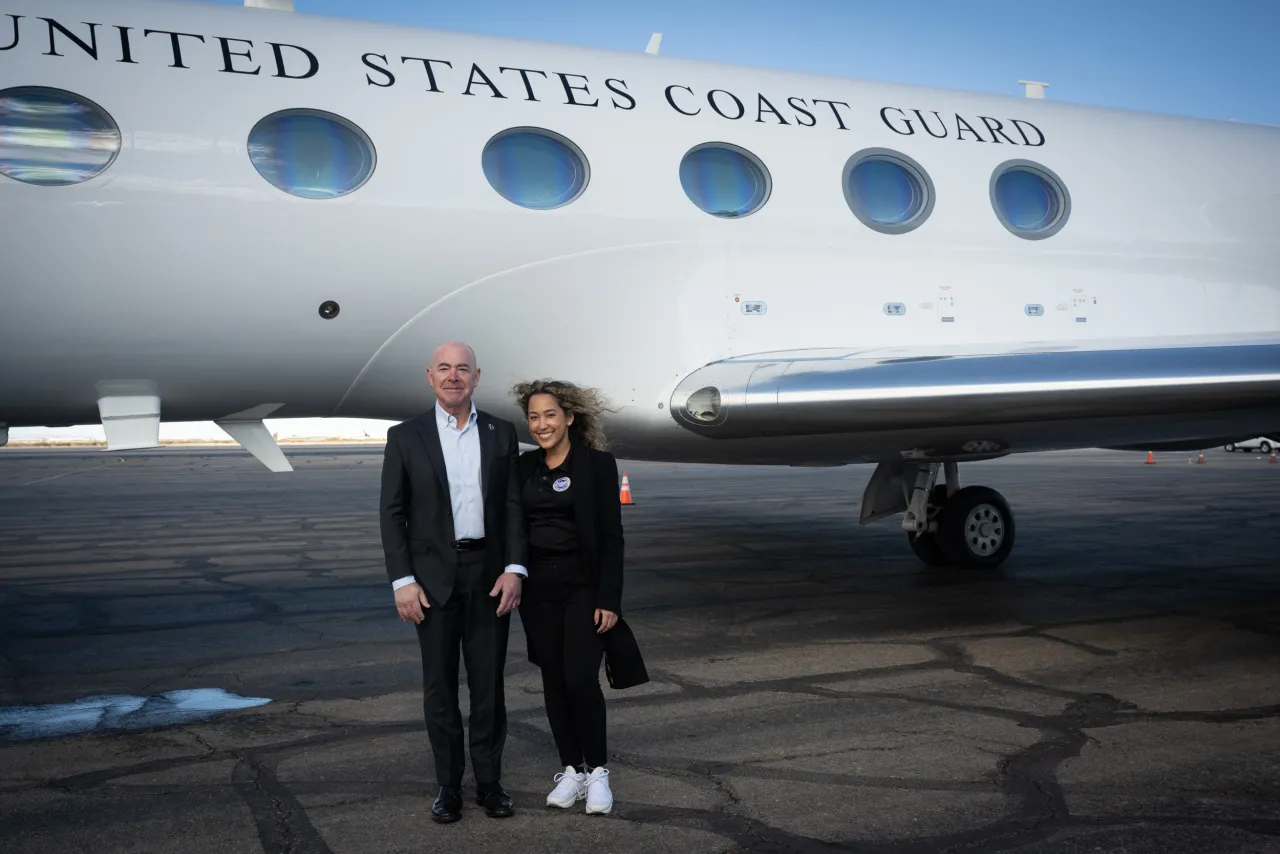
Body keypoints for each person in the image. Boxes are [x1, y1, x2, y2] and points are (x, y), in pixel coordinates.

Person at [379, 341, 528, 824]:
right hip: (431, 582)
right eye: (444, 368)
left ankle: (489, 783)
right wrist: (403, 580)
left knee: (489, 688)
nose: (453, 376)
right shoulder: (405, 436)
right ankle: (448, 786)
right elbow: (392, 513)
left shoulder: (501, 433)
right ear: (429, 377)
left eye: (462, 369)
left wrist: (514, 568)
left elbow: (511, 508)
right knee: (439, 689)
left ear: (476, 377)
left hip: (489, 576)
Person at [510, 379, 648, 816]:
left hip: (583, 590)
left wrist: (609, 599)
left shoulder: (598, 465)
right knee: (553, 681)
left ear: (570, 417)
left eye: (550, 414)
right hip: (539, 593)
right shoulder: (523, 467)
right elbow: (513, 528)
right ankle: (571, 770)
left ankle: (599, 773)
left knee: (579, 679)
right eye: (534, 416)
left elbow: (611, 536)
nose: (541, 424)